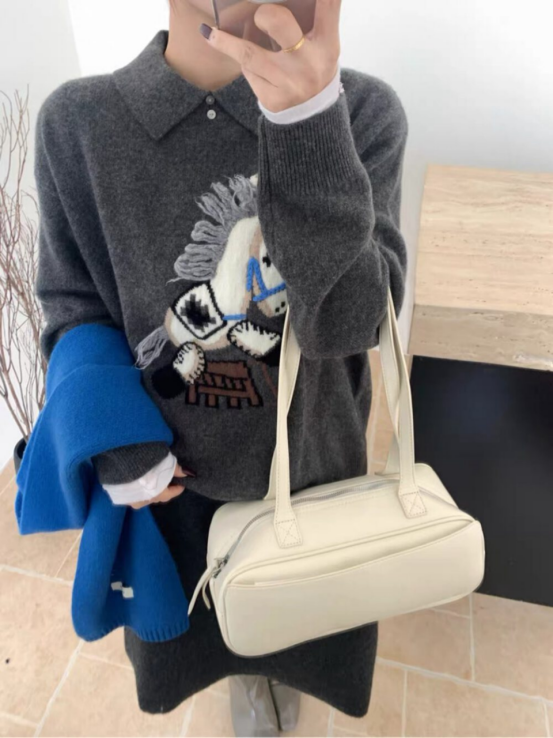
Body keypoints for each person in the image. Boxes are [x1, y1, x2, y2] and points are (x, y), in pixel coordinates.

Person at [34, 0, 409, 734]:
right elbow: (73, 307)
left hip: (316, 483)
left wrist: (308, 124)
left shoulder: (361, 112)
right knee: (205, 641)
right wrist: (116, 440)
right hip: (169, 504)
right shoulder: (78, 124)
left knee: (301, 642)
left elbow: (352, 325)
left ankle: (276, 684)